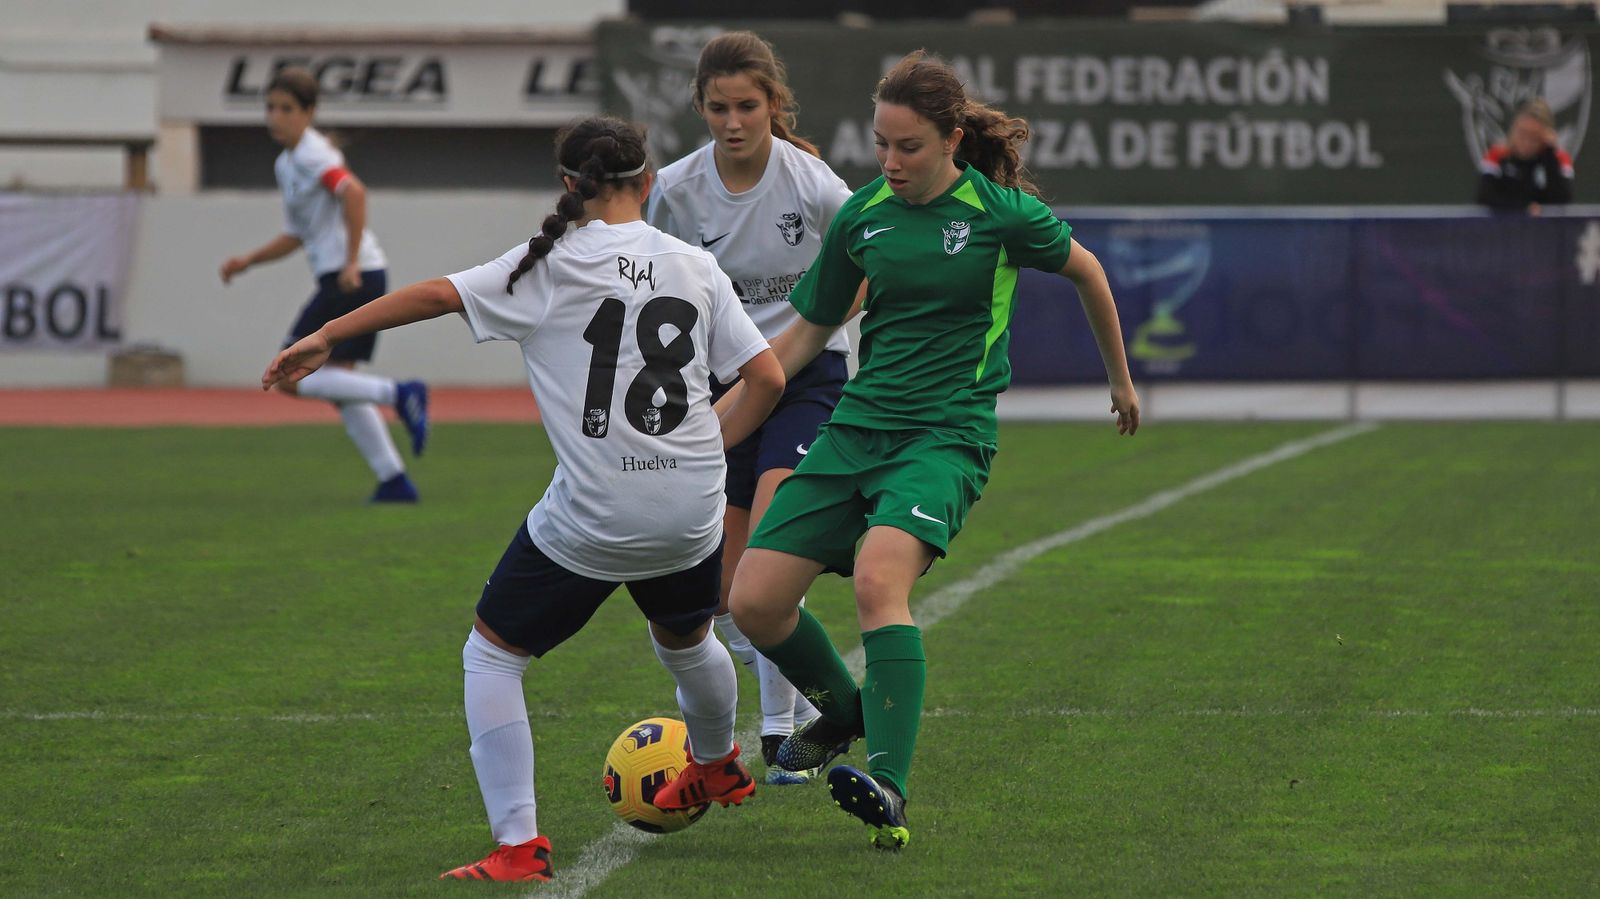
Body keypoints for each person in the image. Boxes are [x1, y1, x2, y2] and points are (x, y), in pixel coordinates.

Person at [261, 115, 785, 882]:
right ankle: (717, 763)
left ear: (568, 187)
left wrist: (326, 336)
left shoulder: (549, 265)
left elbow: (437, 295)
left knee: (493, 652)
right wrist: (706, 443)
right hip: (692, 511)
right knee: (684, 636)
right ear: (649, 182)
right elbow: (767, 377)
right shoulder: (693, 265)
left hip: (597, 515)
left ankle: (519, 845)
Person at [695, 50, 1141, 851]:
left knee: (877, 577)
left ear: (952, 140)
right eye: (881, 145)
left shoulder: (999, 213)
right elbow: (801, 340)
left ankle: (889, 787)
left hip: (945, 436)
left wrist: (1120, 379)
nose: (891, 163)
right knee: (754, 598)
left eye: (908, 147)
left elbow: (1088, 271)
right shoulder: (862, 215)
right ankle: (847, 712)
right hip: (858, 426)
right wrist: (711, 432)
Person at [645, 30, 858, 784]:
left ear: (774, 103)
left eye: (747, 105)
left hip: (805, 380)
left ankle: (778, 736)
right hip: (722, 387)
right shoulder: (674, 187)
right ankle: (794, 690)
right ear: (700, 108)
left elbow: (862, 263)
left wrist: (811, 328)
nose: (733, 122)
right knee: (729, 591)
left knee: (769, 548)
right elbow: (658, 288)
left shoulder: (813, 183)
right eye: (717, 108)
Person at [221, 67, 430, 503]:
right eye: (271, 107)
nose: (275, 117)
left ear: (309, 112)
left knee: (290, 375)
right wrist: (248, 261)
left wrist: (350, 260)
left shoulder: (314, 155)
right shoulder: (287, 162)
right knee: (336, 381)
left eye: (287, 109)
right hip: (350, 274)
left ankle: (400, 393)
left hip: (351, 276)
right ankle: (394, 480)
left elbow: (353, 193)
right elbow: (296, 234)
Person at [1477, 97, 1574, 215]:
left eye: (1534, 136)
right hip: (1504, 227)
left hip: (1545, 229)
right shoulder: (1497, 155)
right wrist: (1523, 207)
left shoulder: (1559, 158)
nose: (1526, 142)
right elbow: (1484, 196)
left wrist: (1549, 153)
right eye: (1522, 133)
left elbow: (1562, 199)